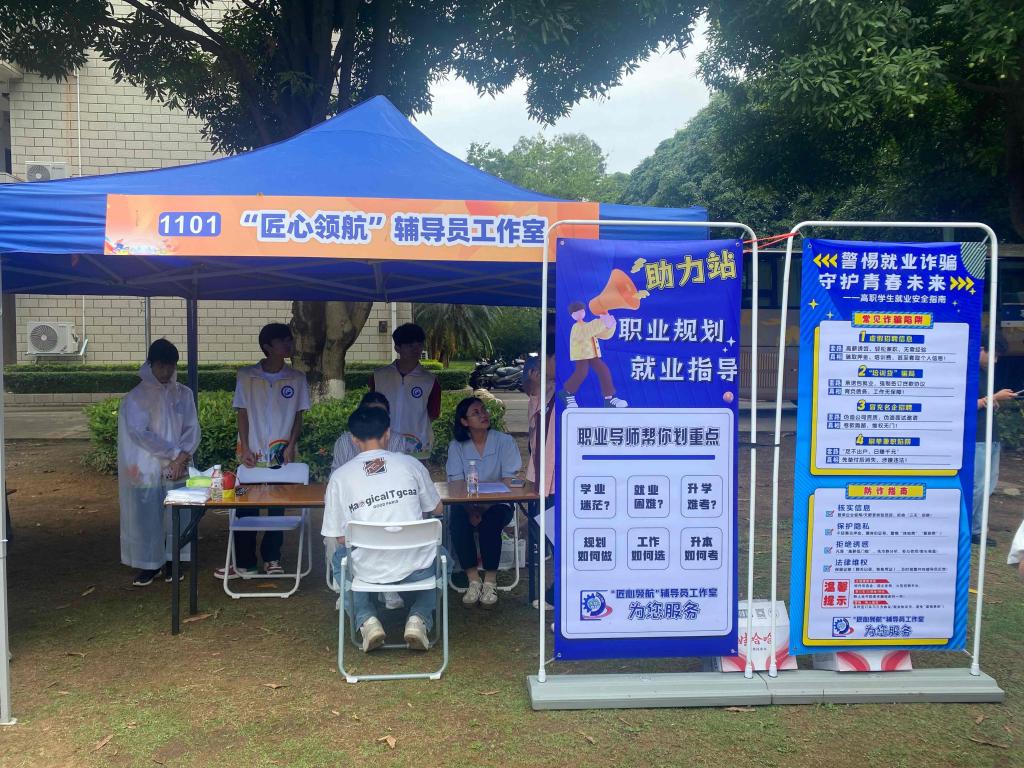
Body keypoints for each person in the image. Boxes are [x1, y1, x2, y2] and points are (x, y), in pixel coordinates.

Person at [323, 405, 443, 652]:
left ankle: (367, 621)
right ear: (388, 433)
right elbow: (437, 508)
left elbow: (340, 538)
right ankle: (418, 619)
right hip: (417, 566)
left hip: (366, 569)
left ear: (353, 439)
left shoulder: (340, 477)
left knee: (340, 560)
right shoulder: (411, 464)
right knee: (444, 559)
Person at [216, 322, 310, 579]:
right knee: (245, 505)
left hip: (282, 452)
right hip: (252, 453)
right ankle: (244, 562)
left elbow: (298, 416)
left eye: (290, 340)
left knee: (278, 505)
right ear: (268, 346)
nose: (289, 345)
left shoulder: (297, 378)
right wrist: (245, 446)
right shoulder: (247, 375)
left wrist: (291, 445)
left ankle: (272, 558)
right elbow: (242, 412)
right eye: (283, 341)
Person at [118, 339, 200, 587]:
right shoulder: (136, 397)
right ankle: (149, 563)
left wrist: (182, 457)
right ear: (151, 364)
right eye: (161, 366)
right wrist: (174, 453)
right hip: (146, 467)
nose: (166, 372)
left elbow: (192, 428)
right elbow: (140, 434)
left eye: (170, 366)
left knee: (179, 514)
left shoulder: (183, 393)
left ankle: (175, 560)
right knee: (147, 517)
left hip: (178, 465)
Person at [446, 396, 522, 608]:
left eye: (484, 410)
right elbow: (456, 484)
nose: (483, 415)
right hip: (466, 503)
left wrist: (486, 505)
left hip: (499, 503)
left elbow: (509, 480)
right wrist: (471, 510)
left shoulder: (504, 441)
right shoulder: (456, 446)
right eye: (476, 413)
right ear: (464, 421)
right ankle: (473, 580)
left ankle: (490, 581)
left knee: (491, 522)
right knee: (458, 521)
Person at [369, 323, 441, 456]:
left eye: (419, 344)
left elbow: (433, 413)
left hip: (417, 445)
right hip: (383, 443)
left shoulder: (430, 380)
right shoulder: (379, 376)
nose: (416, 349)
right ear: (397, 348)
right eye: (410, 345)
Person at [973, 333, 1015, 547]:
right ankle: (971, 529)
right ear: (981, 349)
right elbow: (964, 406)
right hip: (978, 437)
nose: (995, 361)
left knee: (988, 485)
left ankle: (978, 527)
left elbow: (982, 402)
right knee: (979, 485)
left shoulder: (984, 373)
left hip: (991, 436)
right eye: (994, 355)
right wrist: (994, 398)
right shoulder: (968, 373)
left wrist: (993, 401)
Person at [558, 300, 627, 408]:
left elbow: (603, 335)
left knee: (604, 370)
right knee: (582, 372)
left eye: (582, 311)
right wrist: (602, 322)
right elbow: (586, 332)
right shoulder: (577, 327)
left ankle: (609, 398)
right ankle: (567, 393)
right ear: (572, 315)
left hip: (592, 355)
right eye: (577, 312)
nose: (580, 313)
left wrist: (609, 326)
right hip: (581, 355)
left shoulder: (588, 326)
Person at [331, 391, 406, 470]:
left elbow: (398, 470)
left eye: (382, 415)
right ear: (361, 415)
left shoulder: (397, 439)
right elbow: (337, 473)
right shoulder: (344, 441)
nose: (377, 419)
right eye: (372, 414)